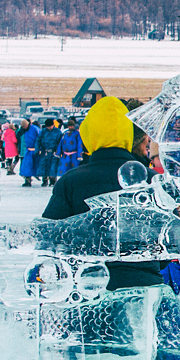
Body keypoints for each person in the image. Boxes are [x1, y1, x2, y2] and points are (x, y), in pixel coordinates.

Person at [43, 97, 164, 290]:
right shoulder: (151, 180)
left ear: (89, 134)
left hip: (88, 289)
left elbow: (50, 238)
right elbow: (166, 238)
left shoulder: (71, 181)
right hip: (143, 286)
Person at [37, 118, 63, 186]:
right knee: (44, 166)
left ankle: (53, 180)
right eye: (47, 126)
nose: (48, 128)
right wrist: (37, 149)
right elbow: (38, 140)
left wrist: (59, 152)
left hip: (54, 152)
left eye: (50, 126)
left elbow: (60, 142)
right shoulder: (43, 131)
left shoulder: (58, 132)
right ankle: (45, 180)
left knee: (53, 167)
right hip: (44, 152)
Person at [18, 118, 41, 187]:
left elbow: (40, 138)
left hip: (37, 150)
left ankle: (46, 179)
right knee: (26, 166)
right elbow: (18, 135)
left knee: (39, 165)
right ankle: (28, 181)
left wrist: (40, 148)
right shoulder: (24, 130)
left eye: (24, 126)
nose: (23, 128)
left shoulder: (35, 129)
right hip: (29, 150)